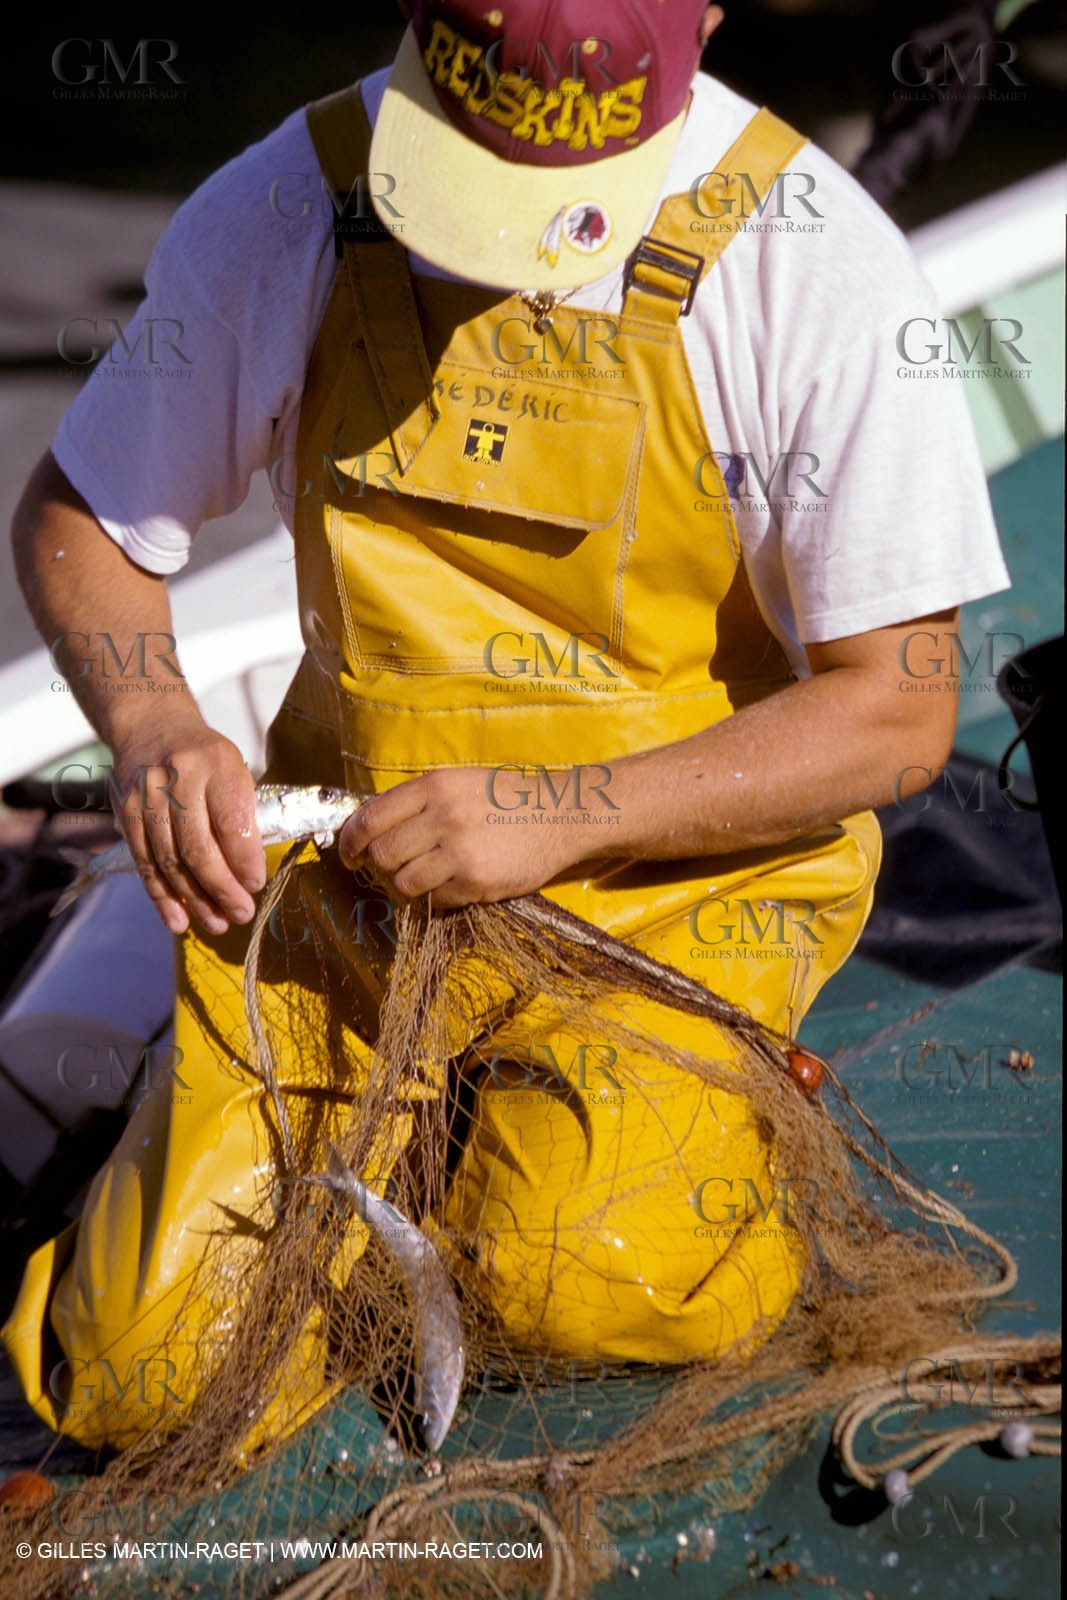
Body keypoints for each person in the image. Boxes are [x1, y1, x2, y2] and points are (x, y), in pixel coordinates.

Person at [4, 0, 1008, 1451]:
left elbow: (900, 712)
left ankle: (523, 1150)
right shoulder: (289, 201)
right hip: (353, 867)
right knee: (142, 1372)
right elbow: (82, 519)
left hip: (671, 890)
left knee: (587, 1280)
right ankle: (381, 1133)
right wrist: (157, 730)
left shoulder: (819, 258)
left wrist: (562, 813)